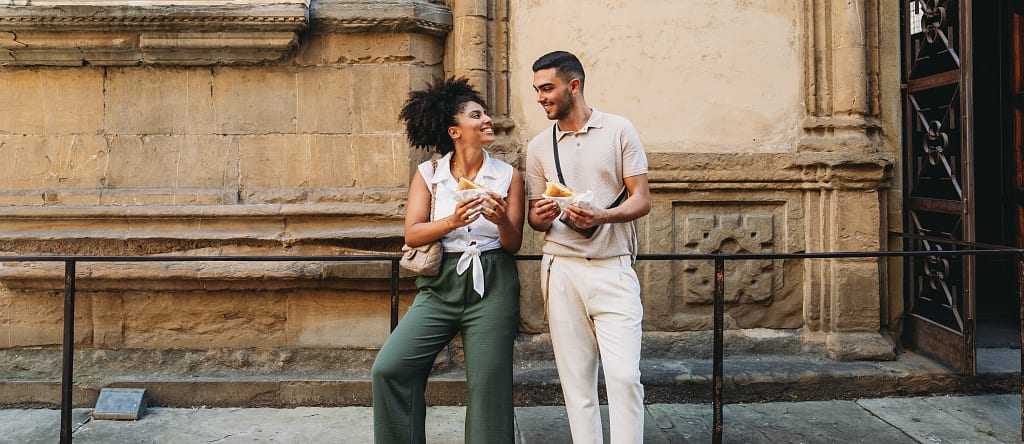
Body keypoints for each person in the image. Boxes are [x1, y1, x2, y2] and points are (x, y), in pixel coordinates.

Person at [370, 77, 525, 444]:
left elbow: (513, 243)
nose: (487, 119)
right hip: (439, 285)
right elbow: (412, 234)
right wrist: (452, 221)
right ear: (455, 130)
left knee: (489, 385)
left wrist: (500, 218)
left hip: (493, 282)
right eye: (477, 115)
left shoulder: (508, 176)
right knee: (390, 368)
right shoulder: (429, 175)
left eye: (485, 113)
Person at [525, 51, 651, 444]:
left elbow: (641, 199)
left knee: (624, 375)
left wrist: (602, 217)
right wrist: (543, 214)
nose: (541, 98)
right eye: (537, 90)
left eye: (547, 88)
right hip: (560, 267)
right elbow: (533, 216)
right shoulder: (537, 146)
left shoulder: (618, 130)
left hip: (613, 265)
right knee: (576, 380)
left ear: (573, 85)